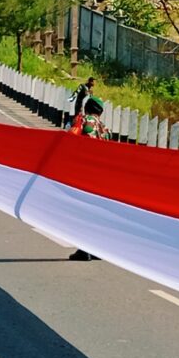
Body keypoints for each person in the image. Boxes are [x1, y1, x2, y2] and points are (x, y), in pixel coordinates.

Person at [69, 99, 109, 261]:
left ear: (87, 108)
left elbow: (72, 138)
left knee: (82, 210)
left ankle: (83, 249)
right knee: (95, 212)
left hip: (85, 171)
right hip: (101, 173)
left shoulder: (85, 121)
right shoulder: (104, 127)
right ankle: (96, 248)